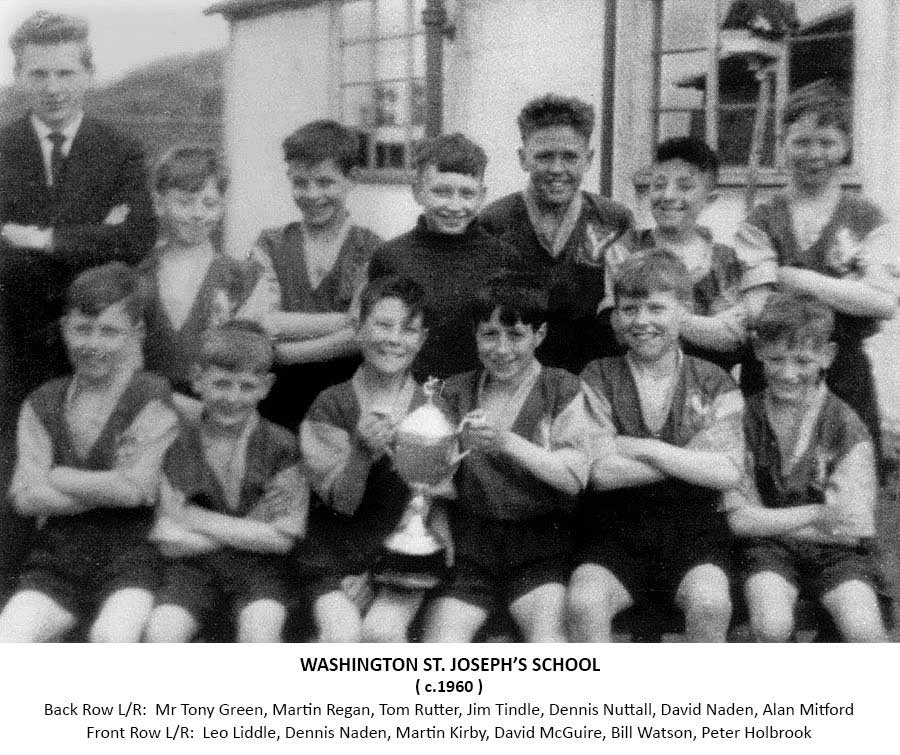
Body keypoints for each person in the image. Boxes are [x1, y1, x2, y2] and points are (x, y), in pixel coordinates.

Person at [0, 12, 157, 583]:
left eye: (66, 72)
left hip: (99, 342)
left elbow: (137, 238)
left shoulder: (119, 150)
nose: (53, 87)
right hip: (12, 342)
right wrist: (95, 234)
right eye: (38, 73)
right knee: (13, 476)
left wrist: (39, 237)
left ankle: (100, 599)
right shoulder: (1, 147)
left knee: (103, 470)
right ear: (18, 77)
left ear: (89, 74)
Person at [567, 252, 744, 642]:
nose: (642, 321)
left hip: (694, 533)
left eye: (656, 308)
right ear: (615, 318)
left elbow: (728, 471)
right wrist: (691, 458)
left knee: (711, 604)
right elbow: (601, 473)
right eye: (630, 309)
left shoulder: (715, 380)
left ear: (685, 312)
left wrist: (643, 448)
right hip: (614, 532)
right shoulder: (597, 375)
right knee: (584, 602)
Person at [0, 263, 177, 642]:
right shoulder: (42, 401)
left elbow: (136, 491)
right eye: (82, 329)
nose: (93, 344)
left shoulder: (151, 395)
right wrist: (110, 486)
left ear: (136, 335)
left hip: (133, 558)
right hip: (56, 561)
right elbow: (25, 497)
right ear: (65, 328)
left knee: (113, 635)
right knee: (9, 634)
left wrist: (58, 476)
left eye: (109, 331)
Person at [423, 275, 598, 643]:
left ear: (540, 335)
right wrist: (438, 522)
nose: (502, 349)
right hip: (471, 544)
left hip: (542, 545)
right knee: (439, 644)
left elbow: (572, 477)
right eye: (489, 334)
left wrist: (505, 441)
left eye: (516, 335)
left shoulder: (562, 387)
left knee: (549, 644)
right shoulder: (453, 390)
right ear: (475, 334)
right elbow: (430, 478)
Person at [735, 80, 899, 462]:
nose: (814, 154)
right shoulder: (761, 220)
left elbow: (882, 302)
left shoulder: (867, 218)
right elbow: (760, 310)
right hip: (773, 368)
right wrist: (845, 293)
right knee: (765, 475)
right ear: (783, 145)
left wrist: (796, 278)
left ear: (845, 147)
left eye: (827, 142)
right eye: (802, 142)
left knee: (848, 478)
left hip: (844, 369)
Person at [726, 293, 887, 642]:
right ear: (757, 351)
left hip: (839, 556)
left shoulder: (847, 426)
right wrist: (818, 512)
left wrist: (766, 520)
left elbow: (850, 528)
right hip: (766, 552)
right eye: (776, 359)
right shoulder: (741, 420)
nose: (788, 373)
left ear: (827, 356)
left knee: (863, 628)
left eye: (802, 360)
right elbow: (739, 520)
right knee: (772, 623)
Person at [298, 276, 450, 642]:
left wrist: (378, 571)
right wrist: (361, 452)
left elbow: (426, 505)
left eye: (408, 330)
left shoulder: (433, 410)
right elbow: (341, 504)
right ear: (359, 329)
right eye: (382, 325)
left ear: (422, 339)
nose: (394, 339)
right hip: (333, 554)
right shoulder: (331, 404)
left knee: (382, 632)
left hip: (403, 558)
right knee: (340, 633)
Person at [144, 321, 306, 643]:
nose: (233, 398)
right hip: (192, 569)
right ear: (198, 379)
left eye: (246, 386)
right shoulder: (175, 442)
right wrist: (254, 529)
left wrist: (195, 518)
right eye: (221, 383)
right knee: (161, 632)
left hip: (260, 570)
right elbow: (165, 537)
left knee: (261, 630)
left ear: (266, 386)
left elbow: (283, 539)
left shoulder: (282, 446)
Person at [480, 93, 633, 373]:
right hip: (516, 375)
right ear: (523, 158)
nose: (557, 169)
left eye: (570, 157)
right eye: (544, 157)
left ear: (588, 159)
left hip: (594, 374)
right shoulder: (493, 222)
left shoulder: (614, 220)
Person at [251, 120, 382, 430]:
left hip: (345, 390)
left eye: (325, 182)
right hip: (278, 395)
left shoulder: (370, 248)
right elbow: (263, 320)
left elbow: (361, 337)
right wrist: (344, 321)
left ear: (352, 180)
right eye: (300, 182)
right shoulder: (270, 243)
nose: (312, 194)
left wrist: (284, 353)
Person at [368, 133, 523, 381]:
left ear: (482, 195)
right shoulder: (390, 257)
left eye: (467, 194)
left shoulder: (504, 258)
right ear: (417, 192)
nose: (454, 205)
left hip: (481, 390)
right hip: (412, 392)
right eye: (441, 192)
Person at [601, 137, 748, 372]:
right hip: (639, 379)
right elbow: (621, 328)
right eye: (659, 185)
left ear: (709, 199)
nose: (668, 195)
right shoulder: (626, 249)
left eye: (685, 186)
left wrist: (660, 316)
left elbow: (732, 336)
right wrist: (701, 325)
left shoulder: (725, 260)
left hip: (709, 387)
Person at [141, 146, 271, 397]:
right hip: (149, 407)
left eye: (209, 203)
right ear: (159, 203)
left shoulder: (243, 278)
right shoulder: (139, 275)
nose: (198, 214)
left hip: (219, 406)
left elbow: (250, 361)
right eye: (185, 202)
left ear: (222, 207)